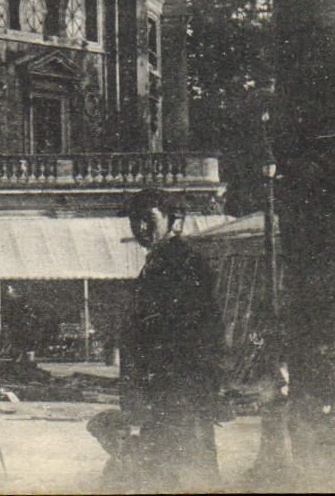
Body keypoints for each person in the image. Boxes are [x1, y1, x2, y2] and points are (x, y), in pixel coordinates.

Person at [119, 187, 224, 490]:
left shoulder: (183, 263)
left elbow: (202, 330)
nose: (139, 228)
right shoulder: (159, 262)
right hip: (165, 391)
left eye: (149, 219)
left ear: (173, 221)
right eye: (133, 220)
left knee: (183, 470)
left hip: (180, 390)